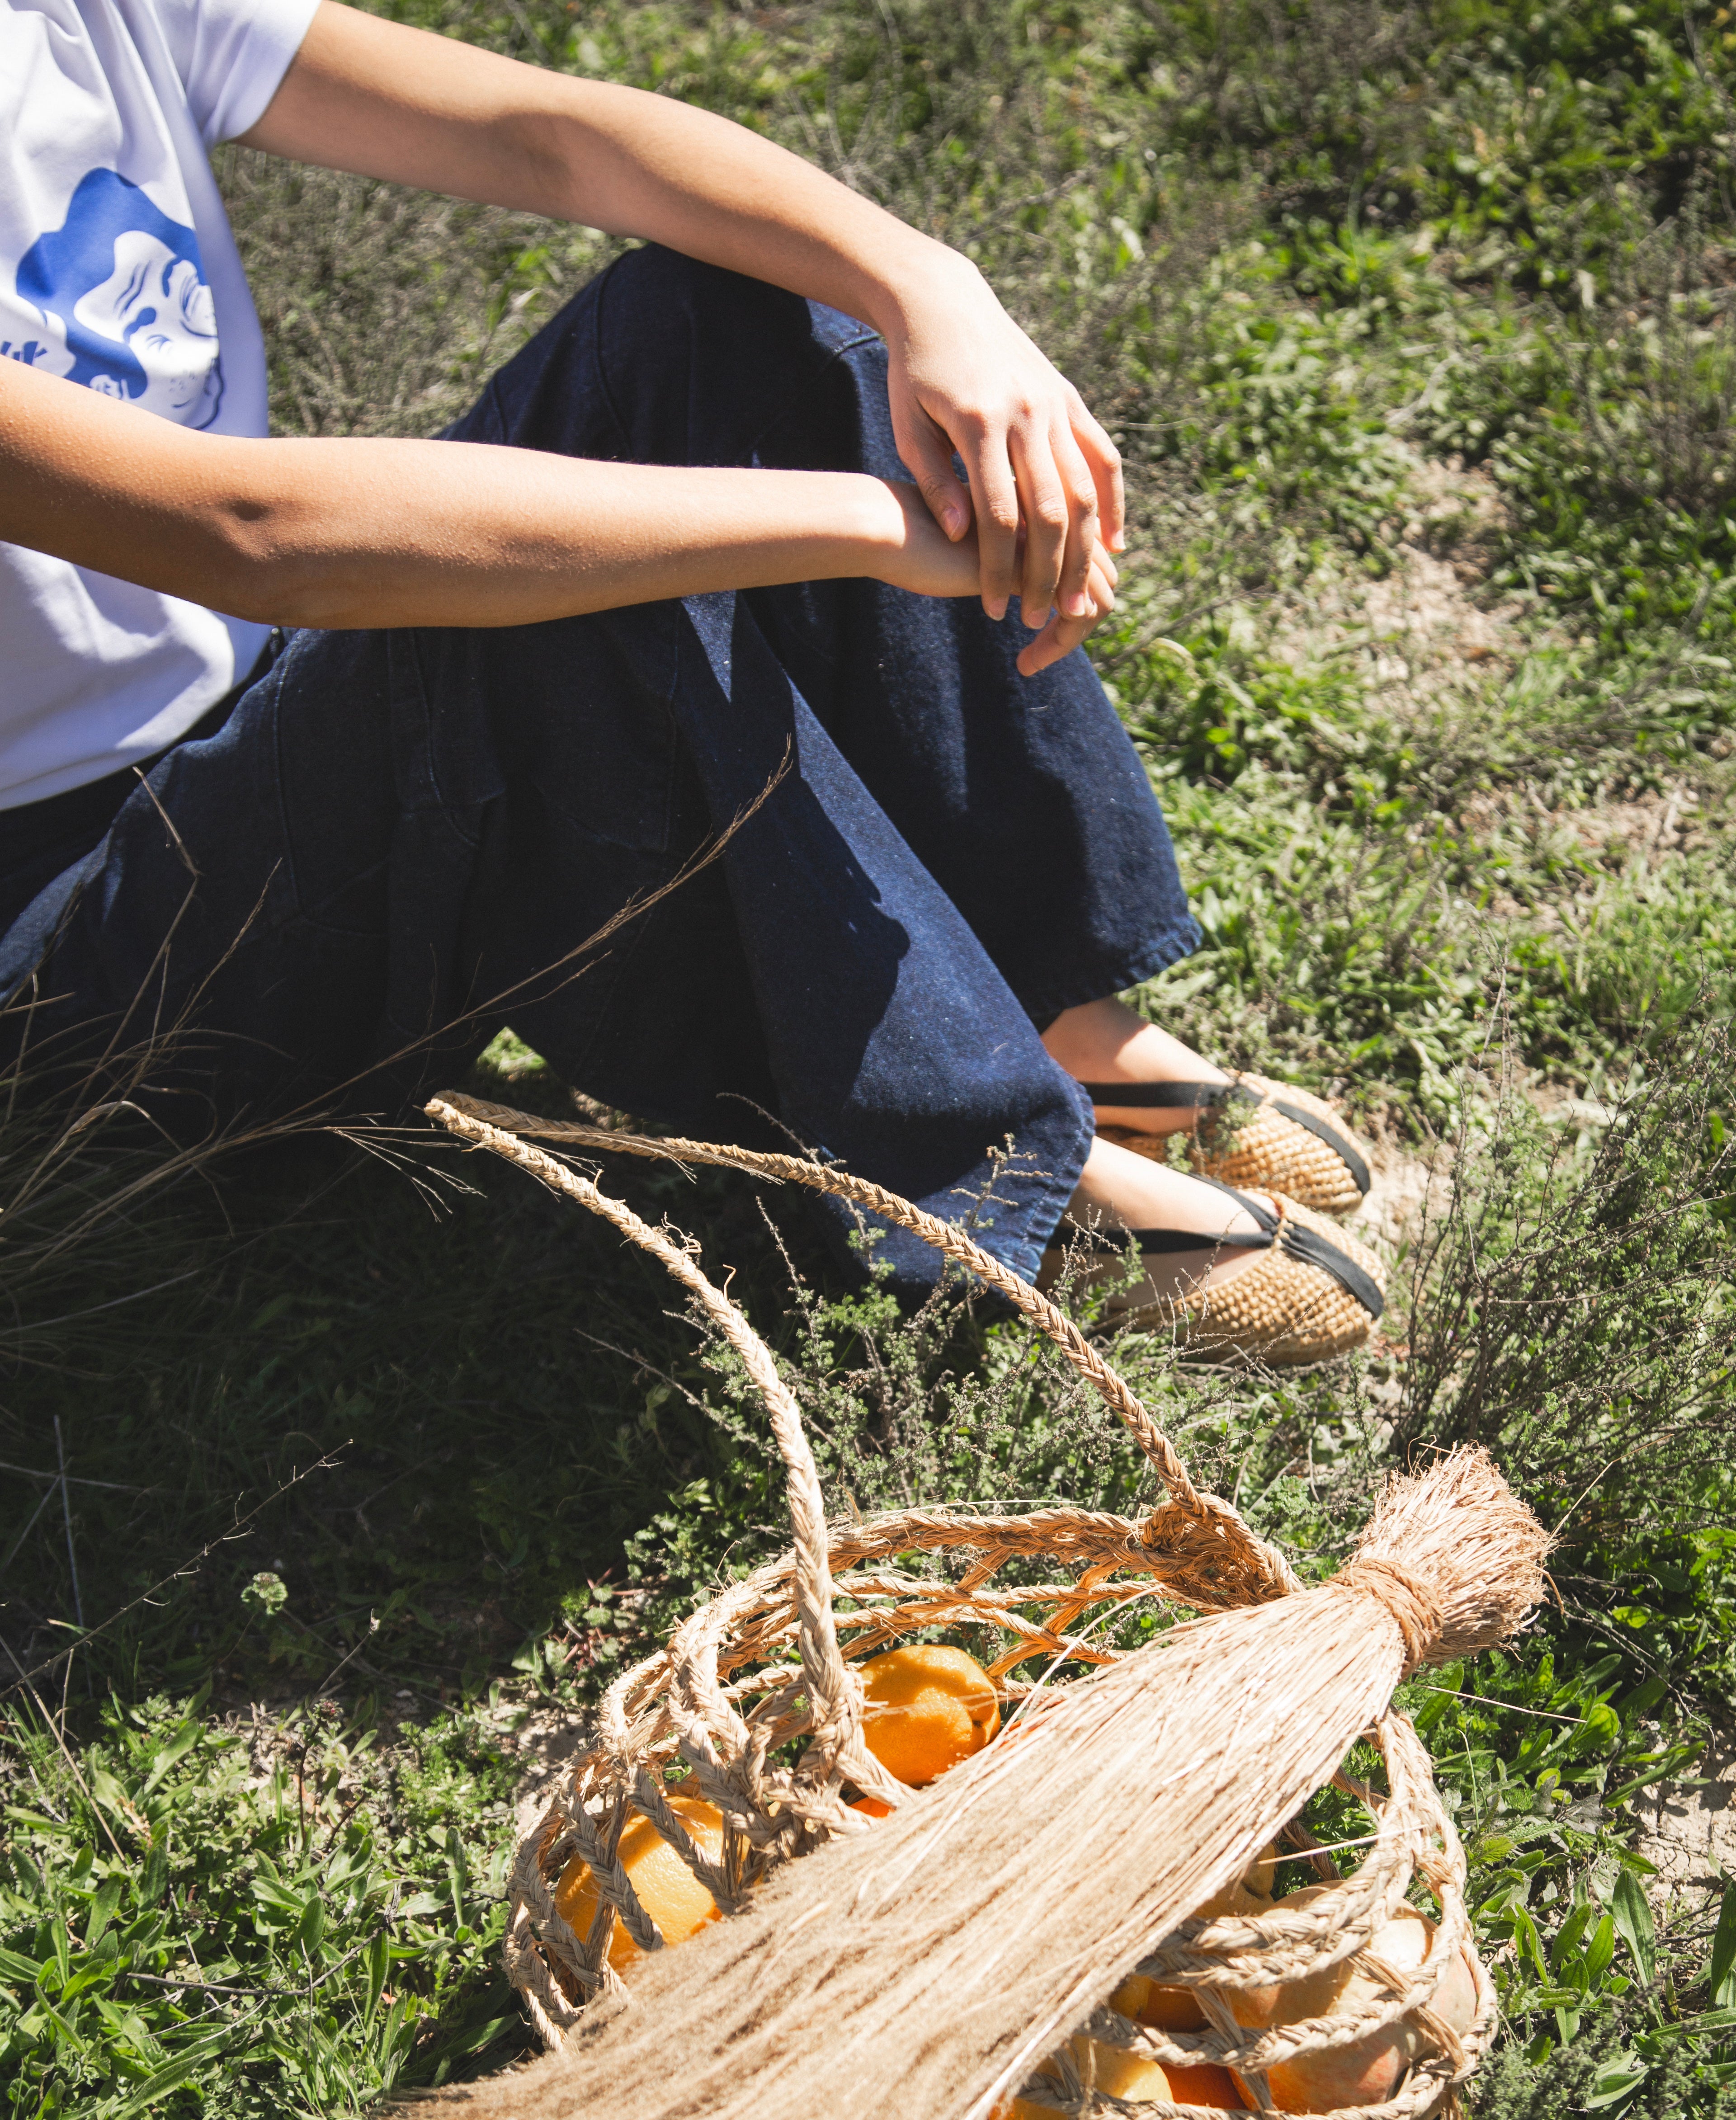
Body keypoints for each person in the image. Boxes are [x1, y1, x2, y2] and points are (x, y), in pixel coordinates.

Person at [0, 0, 1384, 1359]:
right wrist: (865, 527)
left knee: (732, 307)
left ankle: (1047, 1012)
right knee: (546, 605)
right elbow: (249, 537)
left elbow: (552, 136)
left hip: (236, 732)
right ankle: (988, 1199)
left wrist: (926, 287)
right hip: (70, 990)